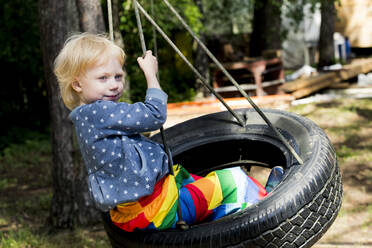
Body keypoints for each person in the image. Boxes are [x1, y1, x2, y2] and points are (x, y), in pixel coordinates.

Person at [54, 32, 283, 232]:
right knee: (233, 179)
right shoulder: (100, 113)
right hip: (156, 209)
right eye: (103, 78)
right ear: (77, 85)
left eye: (118, 76)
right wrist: (151, 74)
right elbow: (154, 114)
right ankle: (268, 206)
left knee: (191, 179)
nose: (114, 84)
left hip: (137, 211)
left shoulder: (87, 117)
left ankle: (241, 207)